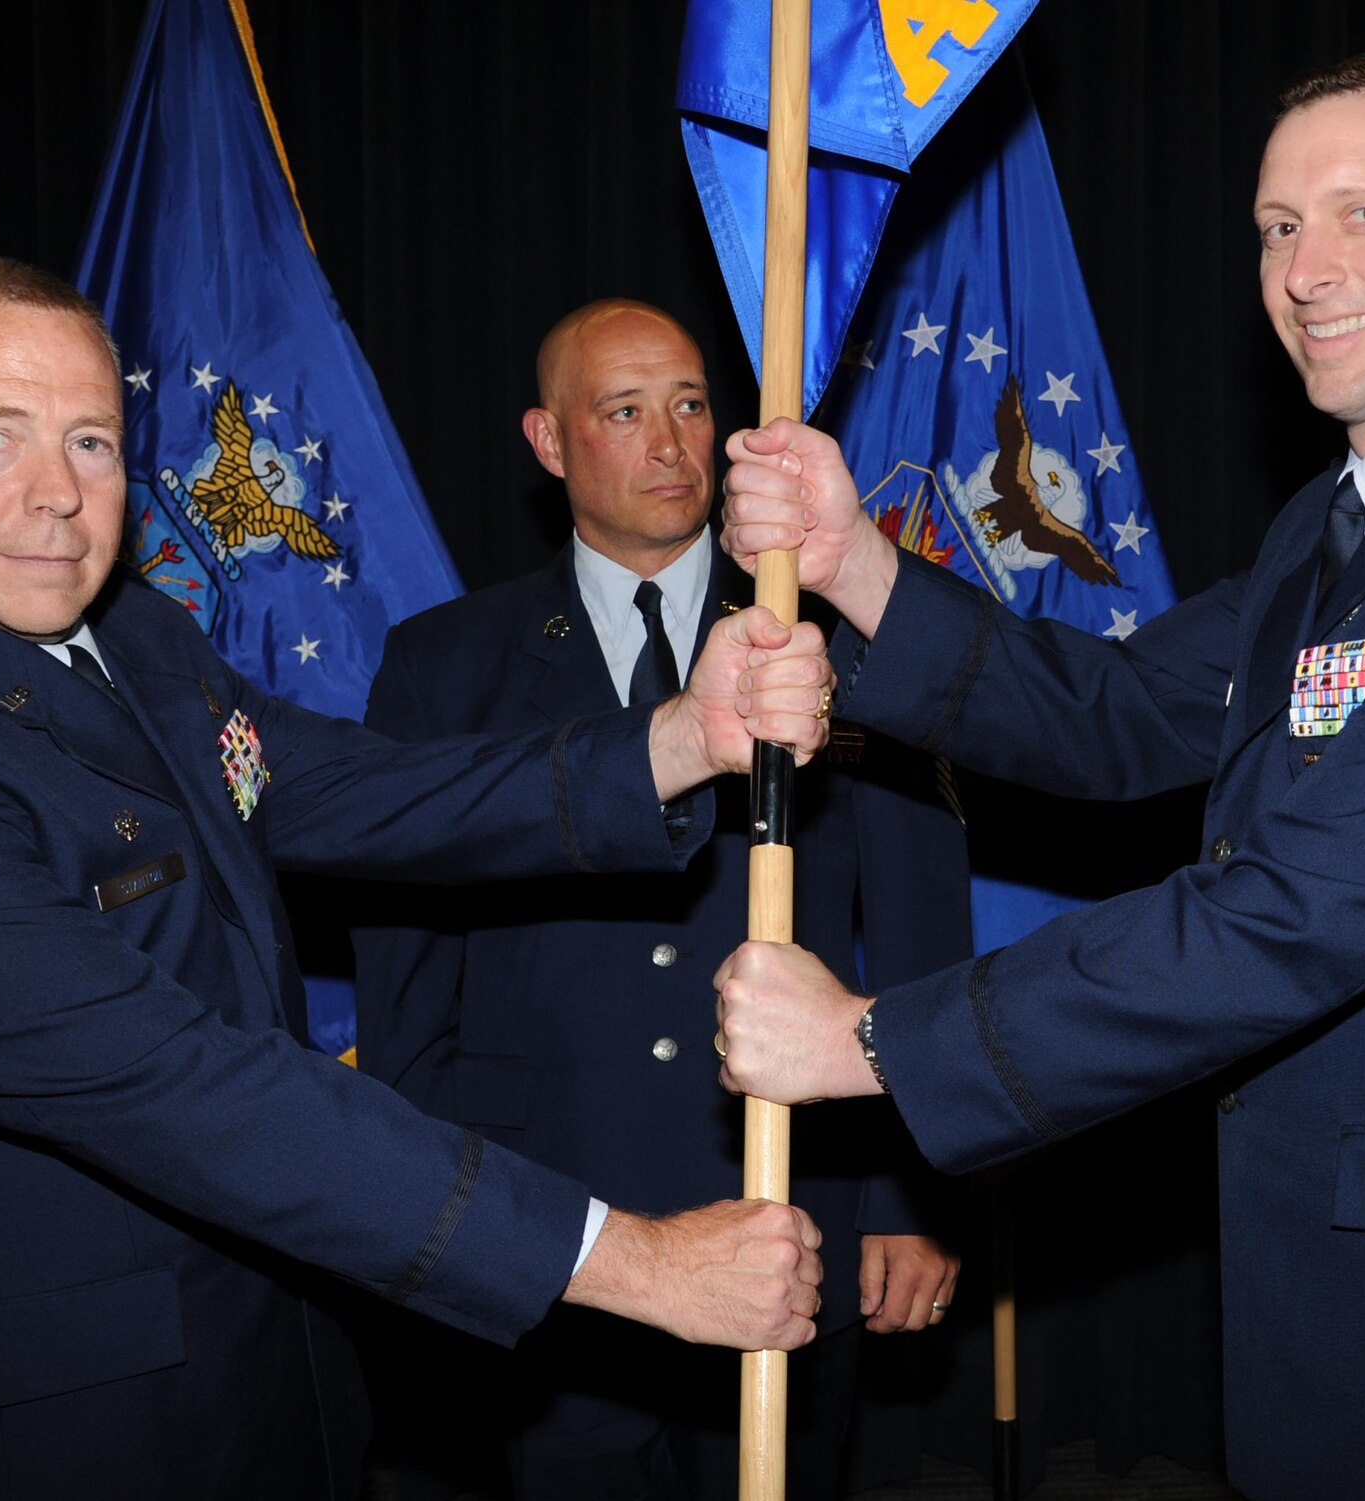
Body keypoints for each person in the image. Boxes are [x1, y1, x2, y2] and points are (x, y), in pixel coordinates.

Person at [712, 55, 1365, 1501]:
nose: (1308, 270)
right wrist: (859, 564)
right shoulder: (1338, 519)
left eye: (1362, 213)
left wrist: (872, 1042)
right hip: (1322, 1293)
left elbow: (1290, 912)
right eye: (1276, 227)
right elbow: (1113, 712)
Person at [0, 256, 839, 1501]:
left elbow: (356, 788)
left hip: (265, 1381)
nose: (58, 497)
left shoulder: (134, 639)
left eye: (91, 441)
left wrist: (683, 739)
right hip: (42, 1440)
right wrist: (628, 1261)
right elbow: (176, 1082)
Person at [349, 298, 970, 1500]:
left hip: (792, 1203)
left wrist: (909, 1194)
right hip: (551, 1224)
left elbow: (914, 923)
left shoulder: (830, 639)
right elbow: (407, 965)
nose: (670, 442)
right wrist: (429, 1217)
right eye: (623, 411)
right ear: (547, 441)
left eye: (690, 405)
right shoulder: (444, 667)